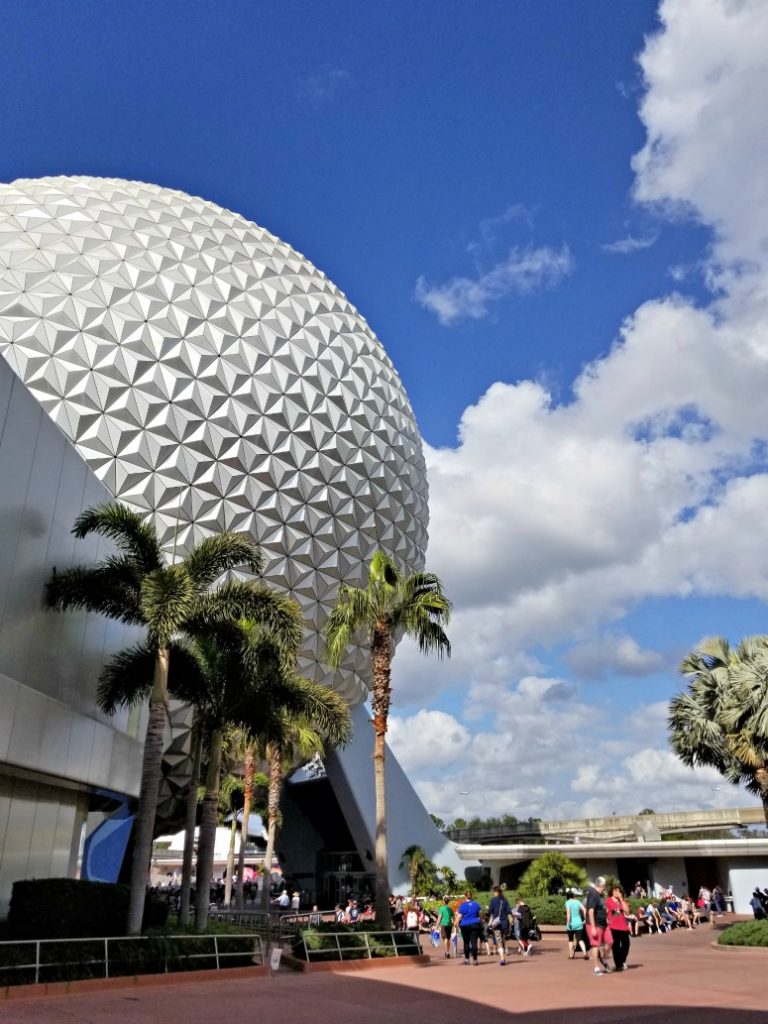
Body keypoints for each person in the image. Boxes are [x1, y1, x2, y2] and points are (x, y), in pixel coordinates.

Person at [585, 876, 613, 974]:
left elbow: (602, 908)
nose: (605, 888)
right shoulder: (593, 894)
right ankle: (596, 968)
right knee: (595, 945)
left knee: (610, 941)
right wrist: (593, 927)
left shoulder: (600, 895)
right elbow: (591, 911)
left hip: (604, 924)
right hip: (595, 924)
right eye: (604, 886)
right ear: (601, 885)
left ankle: (604, 958)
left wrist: (606, 918)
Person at [605, 885, 631, 971]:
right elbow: (607, 912)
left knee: (626, 945)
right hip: (613, 927)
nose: (616, 892)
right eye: (615, 891)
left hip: (623, 926)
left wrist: (621, 900)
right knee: (616, 947)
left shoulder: (622, 901)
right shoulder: (608, 901)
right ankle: (618, 964)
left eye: (618, 891)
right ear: (612, 892)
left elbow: (627, 911)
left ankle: (622, 961)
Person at [456, 889, 482, 966]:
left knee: (466, 942)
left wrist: (455, 923)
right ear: (471, 896)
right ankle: (475, 960)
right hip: (475, 924)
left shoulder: (463, 906)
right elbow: (480, 915)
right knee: (474, 942)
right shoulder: (476, 904)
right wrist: (480, 920)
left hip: (465, 925)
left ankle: (467, 960)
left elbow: (459, 916)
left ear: (465, 896)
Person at [488, 885, 512, 966]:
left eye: (494, 892)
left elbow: (490, 911)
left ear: (495, 892)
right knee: (503, 939)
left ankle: (502, 958)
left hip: (497, 924)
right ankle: (505, 951)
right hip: (504, 924)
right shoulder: (505, 901)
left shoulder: (493, 900)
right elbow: (509, 912)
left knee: (499, 941)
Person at [565, 890, 589, 960]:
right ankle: (585, 953)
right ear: (573, 895)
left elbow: (568, 913)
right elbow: (584, 910)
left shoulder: (567, 902)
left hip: (571, 923)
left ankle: (571, 955)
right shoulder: (578, 901)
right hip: (579, 923)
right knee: (580, 939)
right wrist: (584, 919)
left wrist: (568, 921)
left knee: (570, 940)